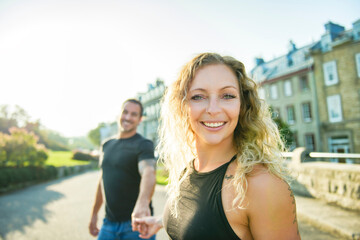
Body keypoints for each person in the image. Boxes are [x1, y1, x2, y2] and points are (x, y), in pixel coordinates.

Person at [134, 53, 301, 239]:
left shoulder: (262, 185)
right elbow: (203, 223)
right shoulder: (190, 168)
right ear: (182, 106)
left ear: (242, 105)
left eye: (227, 96)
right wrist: (161, 222)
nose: (213, 109)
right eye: (198, 97)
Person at [89, 99, 157, 240]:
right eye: (125, 112)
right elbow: (103, 180)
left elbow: (148, 171)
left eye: (133, 114)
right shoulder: (106, 145)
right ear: (119, 114)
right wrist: (94, 214)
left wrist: (143, 204)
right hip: (108, 224)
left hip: (136, 224)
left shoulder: (143, 144)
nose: (127, 117)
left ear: (140, 119)